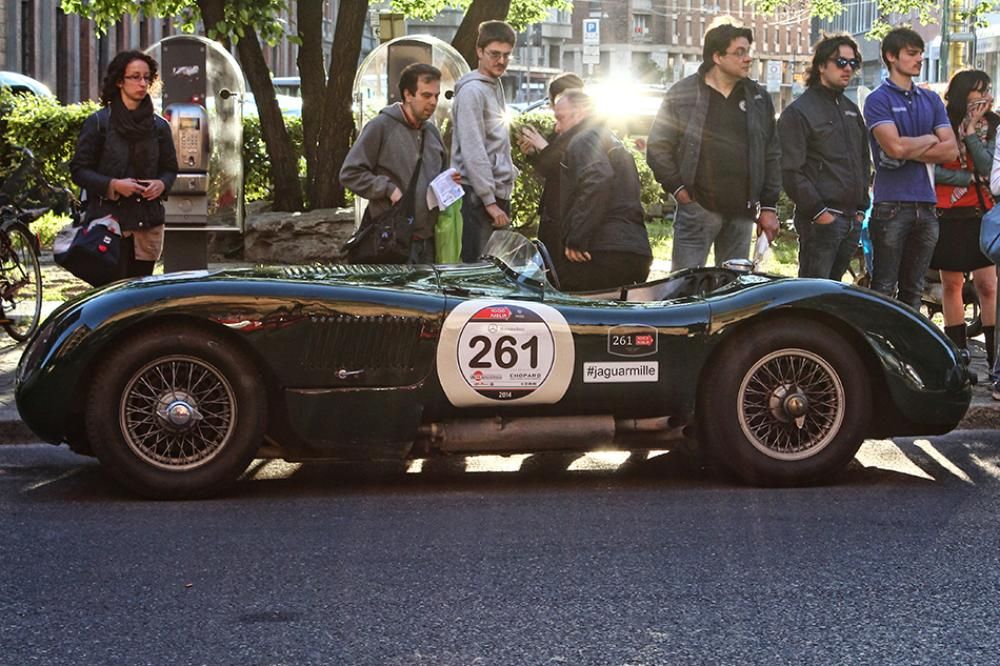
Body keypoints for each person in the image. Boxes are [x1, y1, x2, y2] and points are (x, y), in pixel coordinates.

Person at [646, 16, 781, 271]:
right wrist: (679, 190)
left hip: (742, 213)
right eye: (739, 52)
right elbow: (658, 147)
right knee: (684, 286)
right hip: (698, 209)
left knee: (733, 288)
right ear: (717, 57)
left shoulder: (758, 98)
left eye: (748, 52)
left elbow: (772, 154)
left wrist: (768, 207)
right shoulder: (683, 93)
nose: (748, 59)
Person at [863, 27, 959, 310]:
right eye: (912, 53)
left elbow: (951, 150)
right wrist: (930, 139)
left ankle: (906, 342)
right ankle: (879, 340)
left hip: (927, 204)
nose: (919, 59)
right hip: (890, 204)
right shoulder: (878, 99)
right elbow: (894, 148)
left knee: (914, 290)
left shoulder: (931, 99)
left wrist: (908, 146)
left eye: (921, 53)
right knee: (883, 287)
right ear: (891, 56)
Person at [69, 49, 178, 278]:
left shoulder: (159, 126)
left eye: (146, 77)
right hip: (108, 224)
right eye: (135, 77)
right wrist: (114, 185)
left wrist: (161, 184)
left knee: (141, 292)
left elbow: (170, 168)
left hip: (147, 224)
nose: (142, 83)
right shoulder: (99, 122)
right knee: (111, 291)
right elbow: (79, 170)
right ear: (120, 81)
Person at [778, 34, 871, 281]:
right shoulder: (799, 111)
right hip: (821, 219)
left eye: (853, 63)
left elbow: (863, 161)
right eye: (840, 62)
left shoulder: (851, 110)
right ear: (821, 65)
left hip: (851, 219)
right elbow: (790, 170)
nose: (848, 68)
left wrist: (861, 209)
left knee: (835, 294)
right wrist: (819, 213)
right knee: (812, 293)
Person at [340, 63, 449, 264]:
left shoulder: (432, 133)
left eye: (436, 95)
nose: (433, 102)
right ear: (408, 94)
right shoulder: (381, 126)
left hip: (427, 243)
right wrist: (388, 189)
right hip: (391, 242)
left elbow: (441, 177)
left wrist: (450, 182)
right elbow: (350, 173)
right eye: (426, 95)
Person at [931, 69, 998, 369]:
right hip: (948, 212)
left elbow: (987, 168)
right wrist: (965, 178)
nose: (985, 96)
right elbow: (932, 169)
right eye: (979, 90)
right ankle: (957, 355)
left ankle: (994, 357)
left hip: (981, 213)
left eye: (987, 90)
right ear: (962, 93)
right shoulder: (940, 123)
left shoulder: (992, 125)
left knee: (988, 285)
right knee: (952, 284)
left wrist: (971, 131)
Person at [553, 90, 652, 291]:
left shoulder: (584, 138)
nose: (557, 127)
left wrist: (576, 238)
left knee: (577, 309)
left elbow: (598, 178)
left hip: (599, 251)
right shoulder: (610, 139)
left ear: (581, 112)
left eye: (560, 118)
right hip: (635, 250)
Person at [451, 20, 518, 262]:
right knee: (479, 273)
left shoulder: (493, 84)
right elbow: (474, 150)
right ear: (479, 52)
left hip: (491, 193)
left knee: (495, 269)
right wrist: (489, 202)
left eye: (506, 55)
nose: (501, 61)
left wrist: (510, 170)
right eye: (494, 54)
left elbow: (493, 142)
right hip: (478, 198)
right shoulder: (472, 91)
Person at [516, 72, 584, 273]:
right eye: (567, 97)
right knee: (549, 263)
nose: (574, 102)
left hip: (570, 211)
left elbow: (570, 168)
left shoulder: (587, 132)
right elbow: (549, 168)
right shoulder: (559, 129)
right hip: (553, 208)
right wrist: (533, 154)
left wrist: (542, 146)